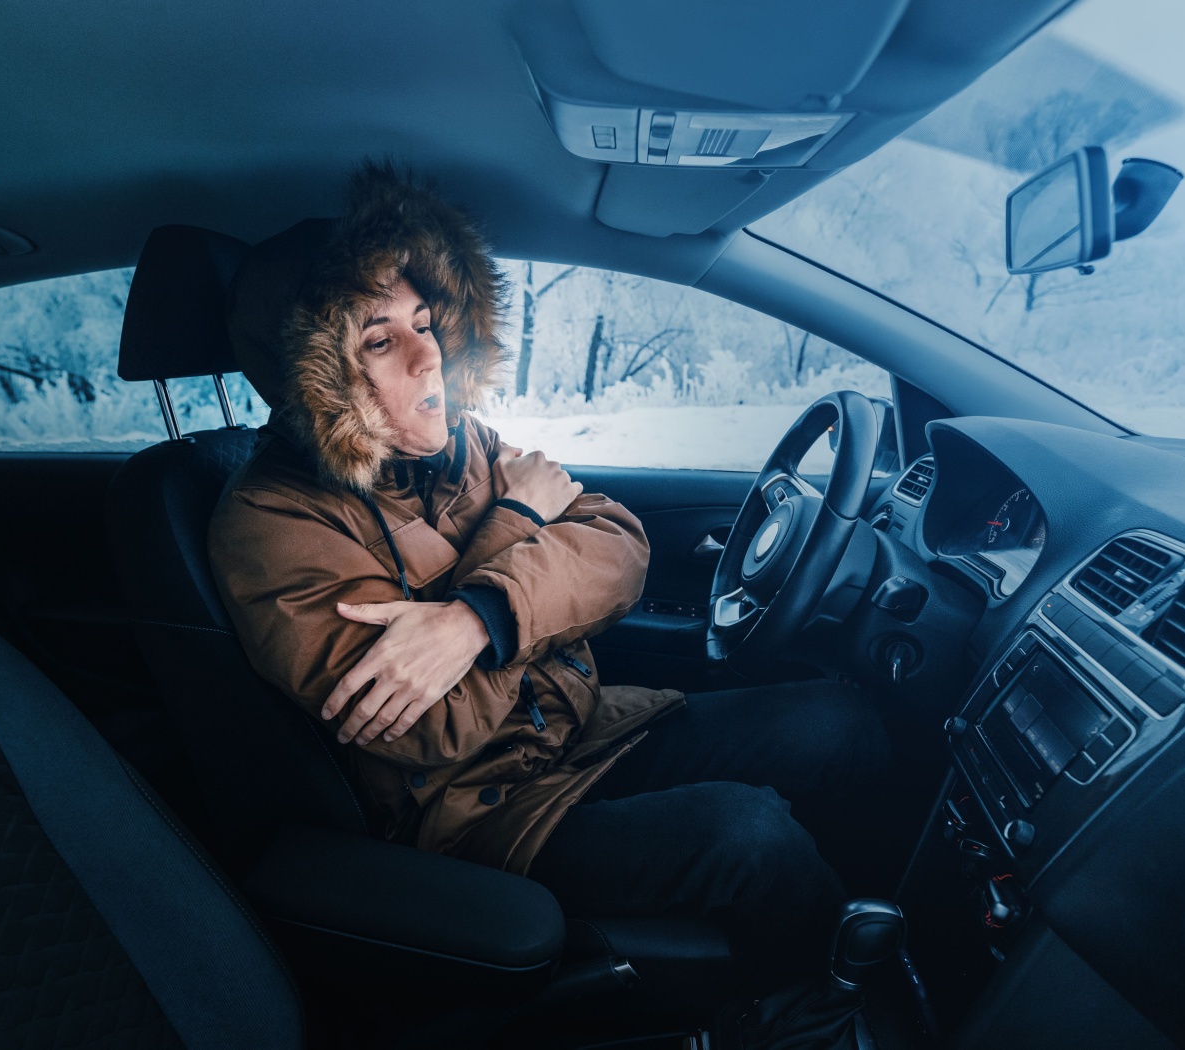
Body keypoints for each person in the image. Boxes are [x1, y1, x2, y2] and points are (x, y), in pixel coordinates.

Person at [208, 163, 889, 976]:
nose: (431, 358)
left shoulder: (466, 445)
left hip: (583, 728)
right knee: (749, 836)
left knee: (838, 724)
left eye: (427, 321)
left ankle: (885, 929)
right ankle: (809, 1007)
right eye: (380, 341)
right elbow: (429, 728)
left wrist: (475, 622)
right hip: (480, 811)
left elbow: (618, 544)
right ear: (312, 382)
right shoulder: (272, 521)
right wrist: (515, 544)